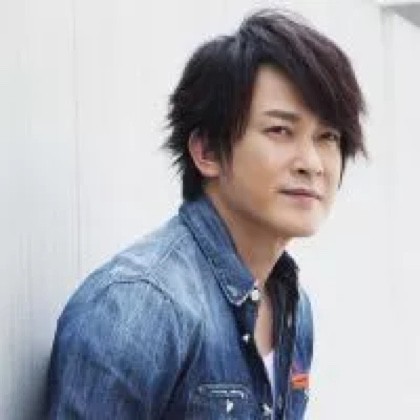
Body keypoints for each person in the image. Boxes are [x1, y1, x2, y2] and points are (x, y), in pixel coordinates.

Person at [45, 8, 366, 419]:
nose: (312, 163)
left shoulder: (292, 305)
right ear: (207, 151)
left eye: (327, 137)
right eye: (280, 131)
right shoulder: (137, 306)